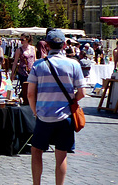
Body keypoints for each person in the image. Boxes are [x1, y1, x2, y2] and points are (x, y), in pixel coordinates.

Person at [27, 29, 85, 185]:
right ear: (64, 45)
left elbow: (30, 94)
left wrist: (35, 111)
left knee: (36, 151)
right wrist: (70, 100)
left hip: (44, 116)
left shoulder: (38, 65)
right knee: (61, 155)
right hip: (64, 117)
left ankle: (36, 183)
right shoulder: (74, 64)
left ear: (46, 45)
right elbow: (82, 93)